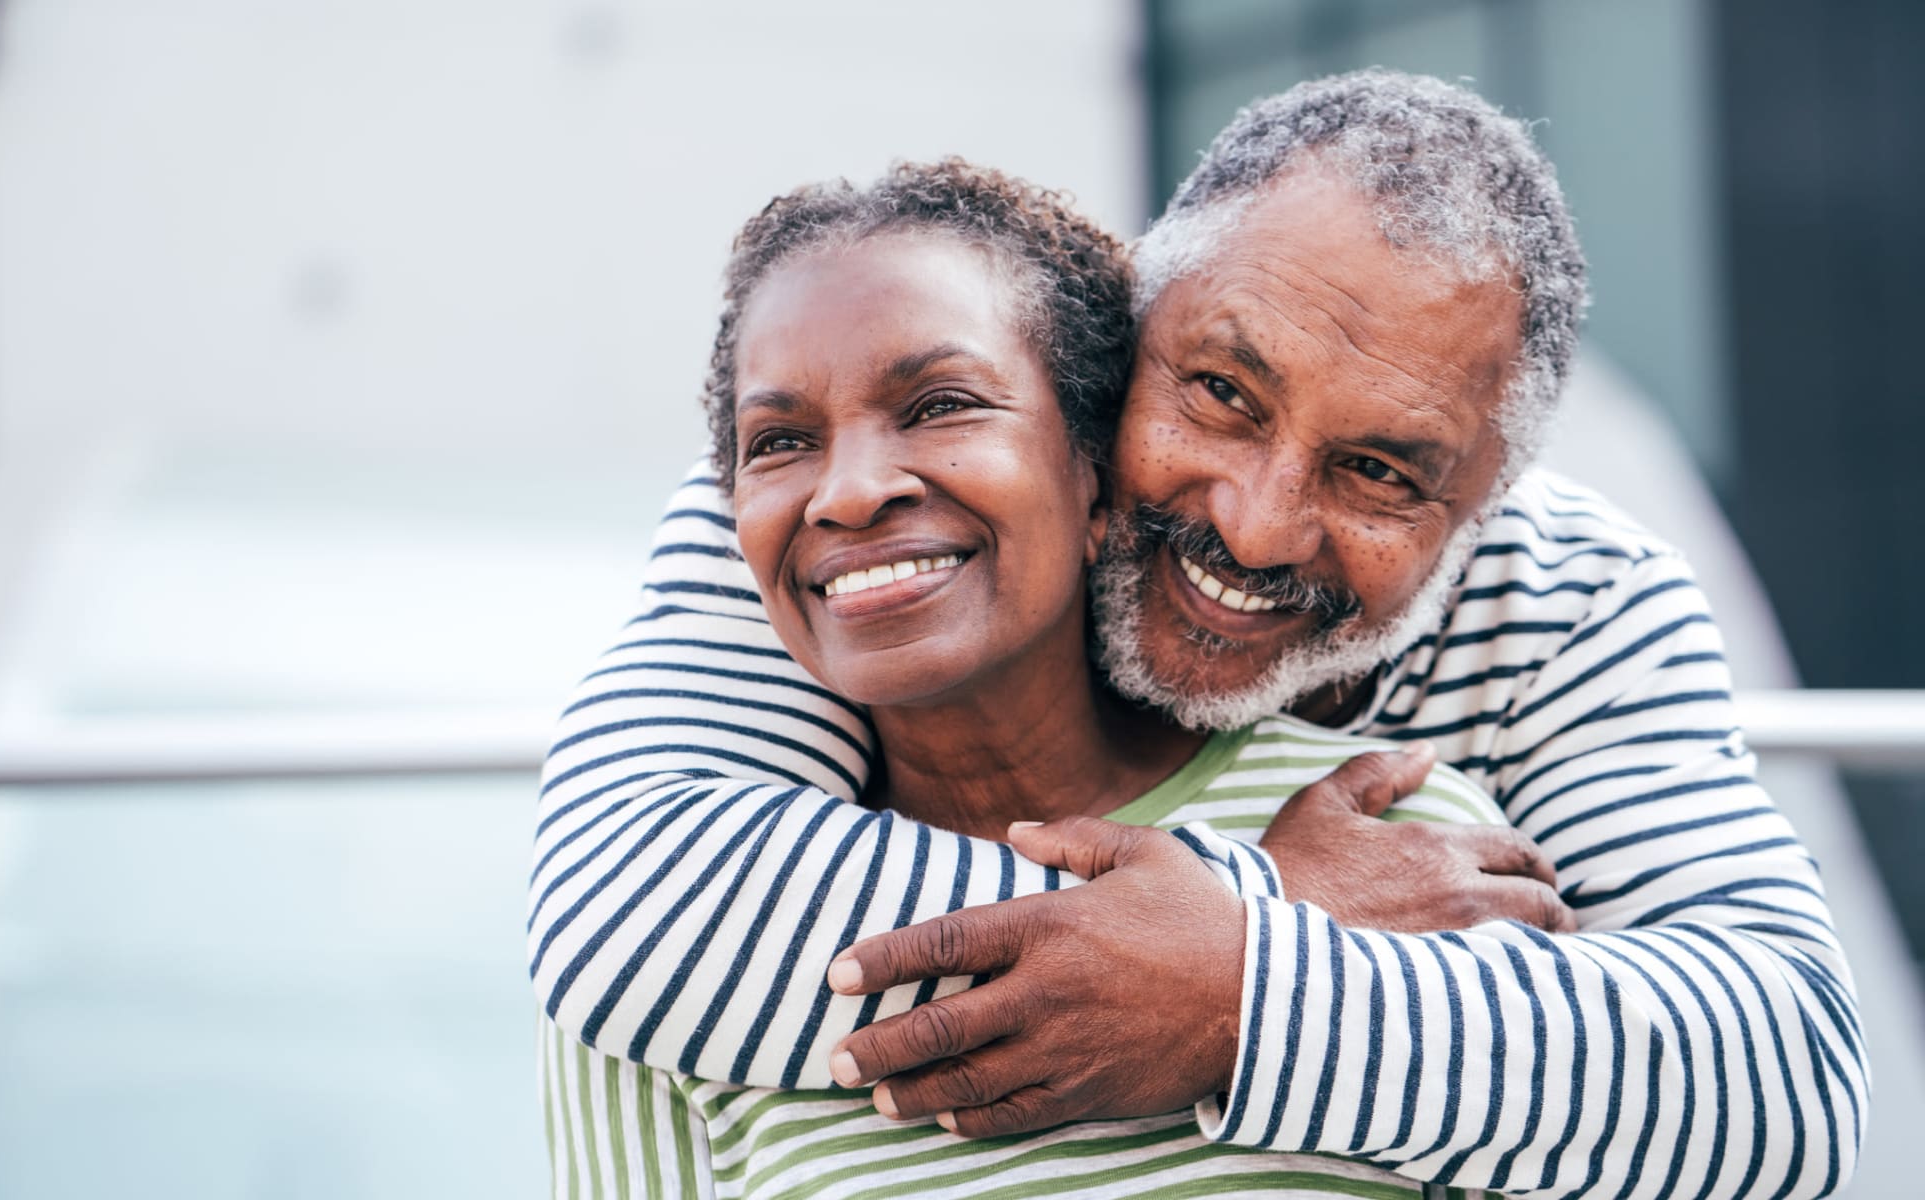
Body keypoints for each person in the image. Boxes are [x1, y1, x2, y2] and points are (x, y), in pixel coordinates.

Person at [530, 71, 1865, 1198]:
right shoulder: (860, 522)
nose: (1263, 523)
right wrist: (1257, 922)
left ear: (1480, 513)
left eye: (1382, 474)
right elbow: (626, 901)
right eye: (1221, 392)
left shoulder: (1576, 601)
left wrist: (1239, 990)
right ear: (1123, 331)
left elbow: (1777, 1088)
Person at [541, 156, 1525, 1198]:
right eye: (779, 441)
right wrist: (1272, 913)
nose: (850, 491)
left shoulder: (1405, 848)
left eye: (940, 404)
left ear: (1094, 473)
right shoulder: (670, 970)